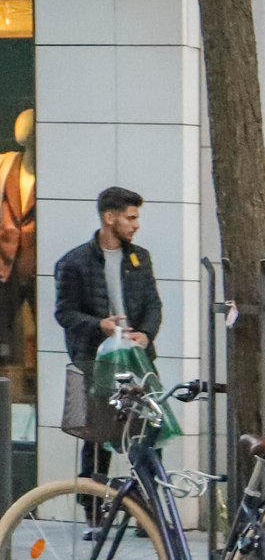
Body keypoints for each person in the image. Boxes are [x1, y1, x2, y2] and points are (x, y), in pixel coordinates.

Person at [53, 186, 159, 490]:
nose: (136, 224)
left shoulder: (141, 258)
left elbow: (153, 304)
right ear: (109, 217)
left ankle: (146, 507)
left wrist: (146, 335)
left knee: (147, 432)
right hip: (96, 360)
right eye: (130, 218)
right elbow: (65, 314)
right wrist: (99, 325)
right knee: (97, 437)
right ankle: (94, 513)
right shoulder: (73, 263)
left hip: (137, 359)